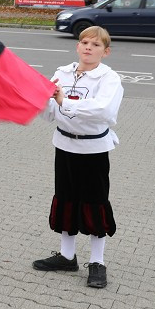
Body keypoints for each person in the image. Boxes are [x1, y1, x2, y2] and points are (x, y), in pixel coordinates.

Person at [33, 26, 124, 289]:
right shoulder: (62, 73)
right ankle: (66, 256)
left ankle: (97, 262)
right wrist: (38, 99)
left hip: (93, 150)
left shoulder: (109, 79)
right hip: (64, 145)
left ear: (105, 52)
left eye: (95, 45)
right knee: (66, 199)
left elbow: (104, 111)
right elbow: (51, 112)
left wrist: (64, 101)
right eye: (84, 42)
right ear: (77, 46)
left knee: (95, 203)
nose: (88, 47)